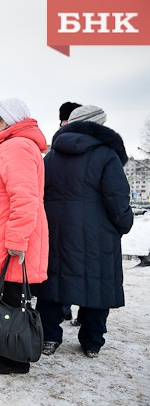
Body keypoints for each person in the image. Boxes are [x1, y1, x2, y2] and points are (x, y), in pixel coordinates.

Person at [35, 105, 133, 358]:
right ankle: (92, 339)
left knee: (53, 284)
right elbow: (117, 195)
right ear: (100, 125)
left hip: (55, 230)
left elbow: (39, 192)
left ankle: (49, 337)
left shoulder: (52, 155)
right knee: (97, 284)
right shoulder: (107, 153)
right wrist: (124, 223)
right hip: (98, 233)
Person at [0, 98, 49, 374]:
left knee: (13, 299)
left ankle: (13, 359)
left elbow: (24, 197)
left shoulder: (16, 147)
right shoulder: (13, 146)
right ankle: (9, 355)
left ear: (8, 119)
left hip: (11, 238)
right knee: (10, 297)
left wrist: (16, 241)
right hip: (5, 234)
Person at [57, 101, 82, 324]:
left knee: (64, 268)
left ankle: (66, 310)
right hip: (82, 222)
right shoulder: (104, 150)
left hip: (61, 221)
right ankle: (69, 310)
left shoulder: (55, 151)